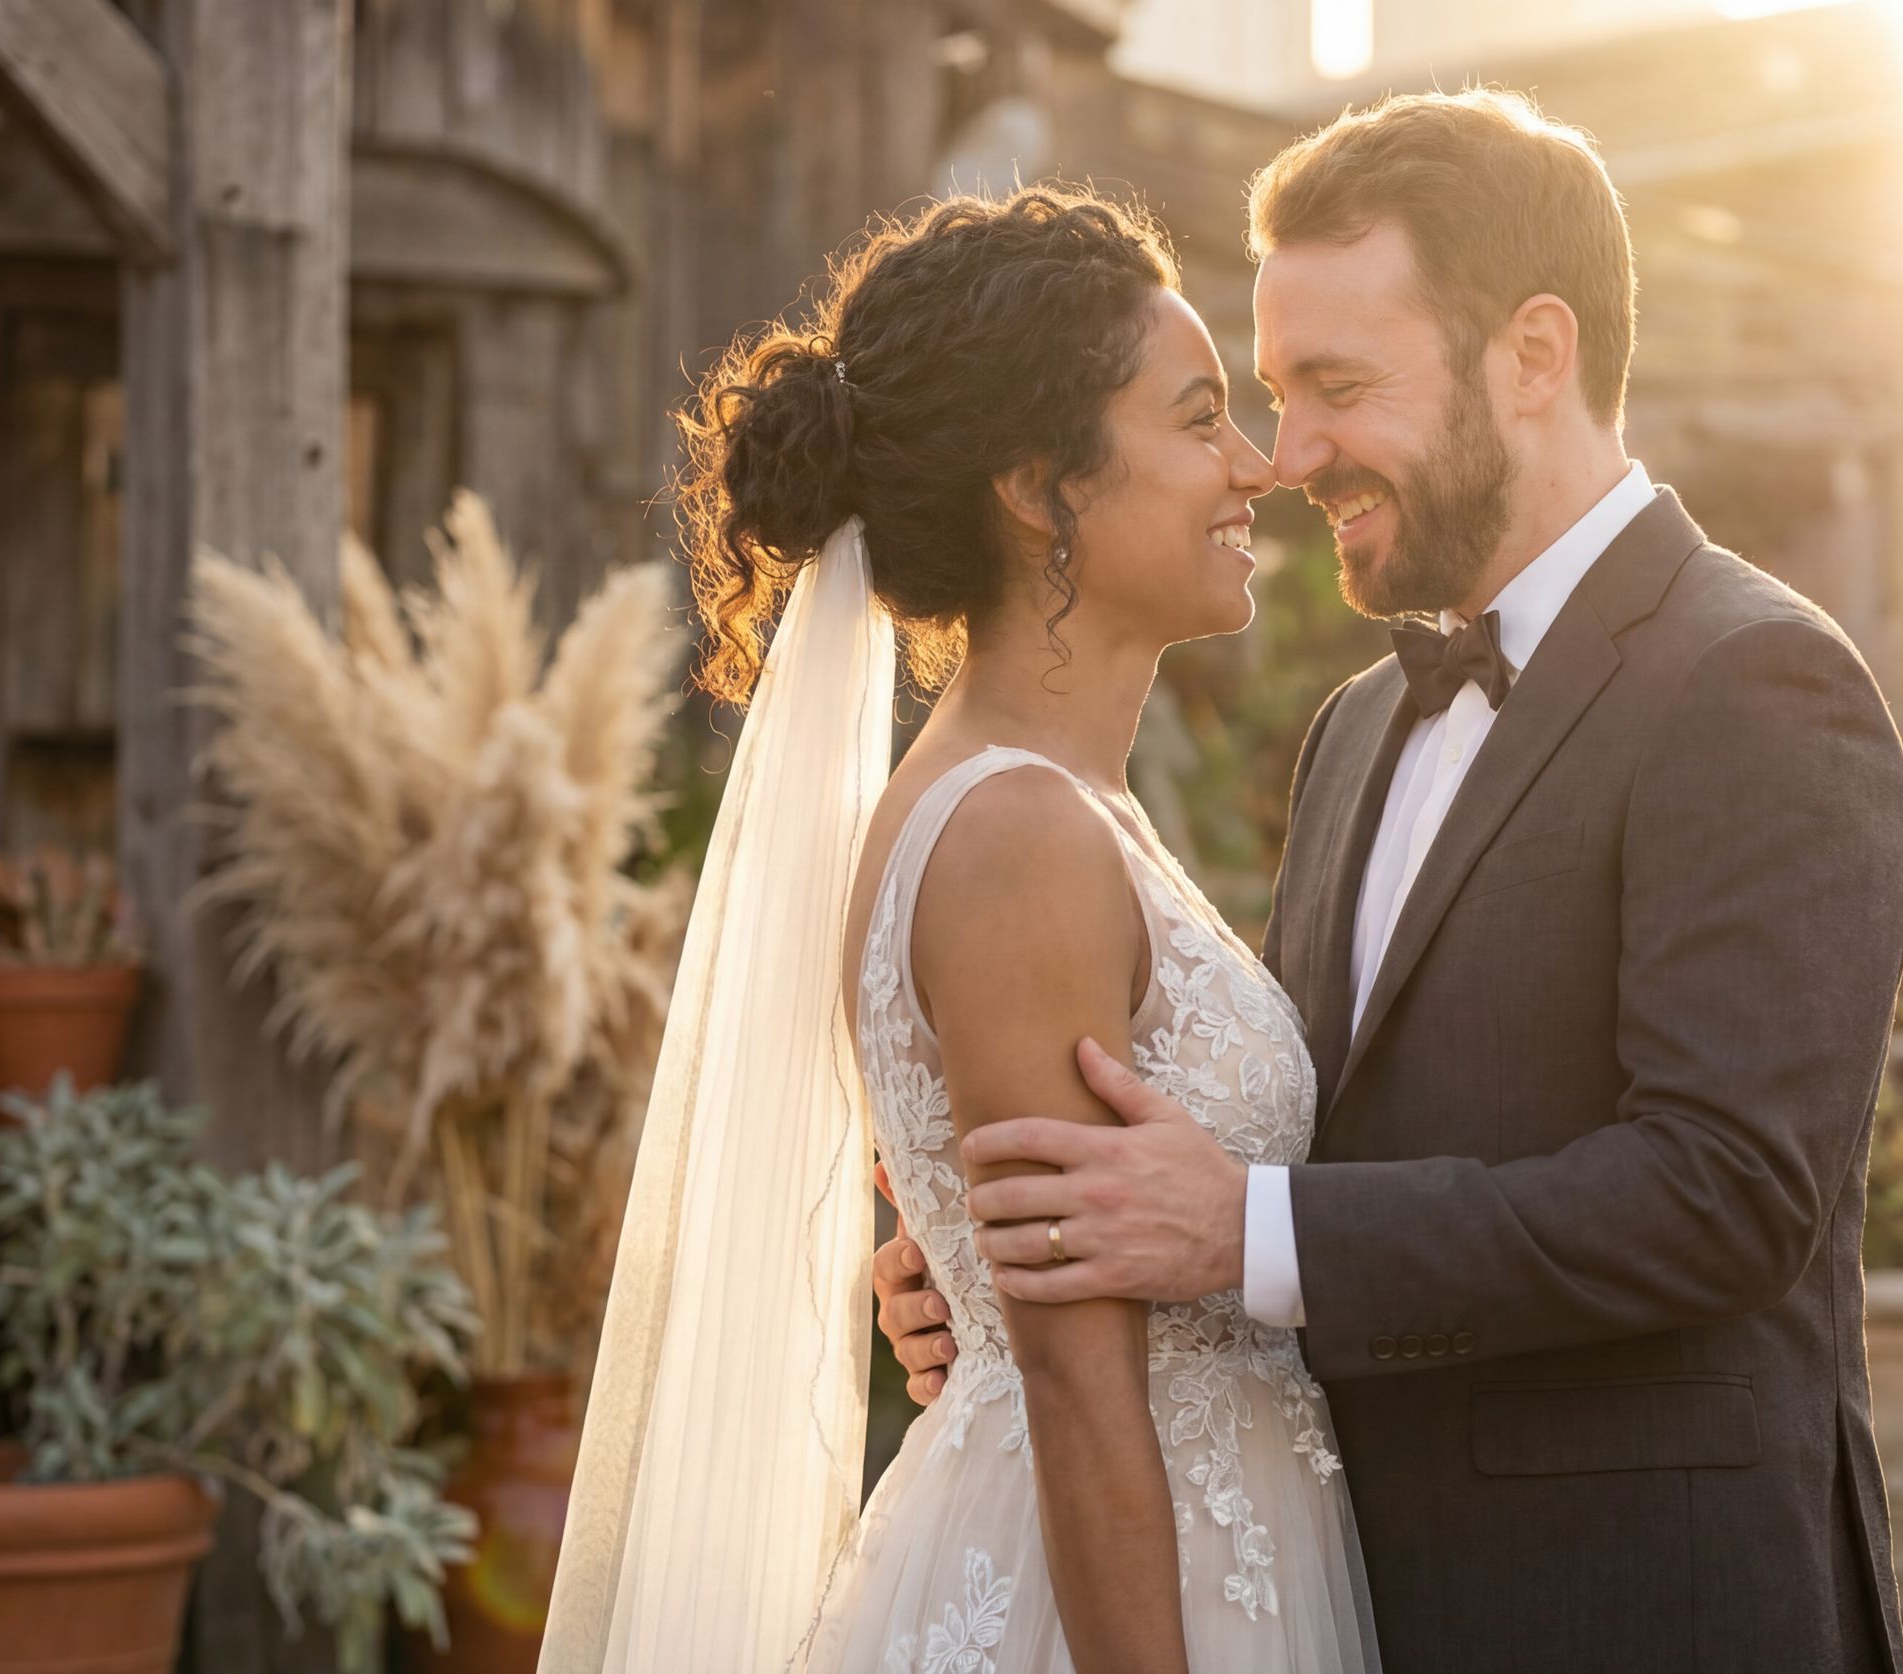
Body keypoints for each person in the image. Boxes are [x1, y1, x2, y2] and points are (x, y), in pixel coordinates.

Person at [879, 91, 1903, 1673]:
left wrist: (1237, 1230)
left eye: (1335, 388)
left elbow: (1730, 1193)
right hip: (1355, 1607)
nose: (1289, 458)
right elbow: (1315, 1129)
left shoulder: (1759, 682)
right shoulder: (1358, 730)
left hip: (1648, 1617)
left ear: (1534, 355)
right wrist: (1011, 1256)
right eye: (1269, 392)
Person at [538, 186, 1378, 1674]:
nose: (1253, 468)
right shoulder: (1016, 835)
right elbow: (1076, 1383)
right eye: (1197, 422)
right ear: (1041, 486)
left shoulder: (1053, 808)